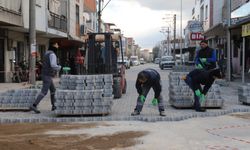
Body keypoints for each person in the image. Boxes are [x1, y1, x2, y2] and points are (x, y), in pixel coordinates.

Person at [30, 42, 61, 113]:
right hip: (47, 75)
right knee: (44, 92)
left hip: (45, 74)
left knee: (53, 90)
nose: (58, 47)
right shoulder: (52, 54)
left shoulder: (46, 53)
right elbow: (53, 65)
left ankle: (53, 105)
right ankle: (34, 105)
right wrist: (59, 67)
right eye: (57, 45)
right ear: (54, 47)